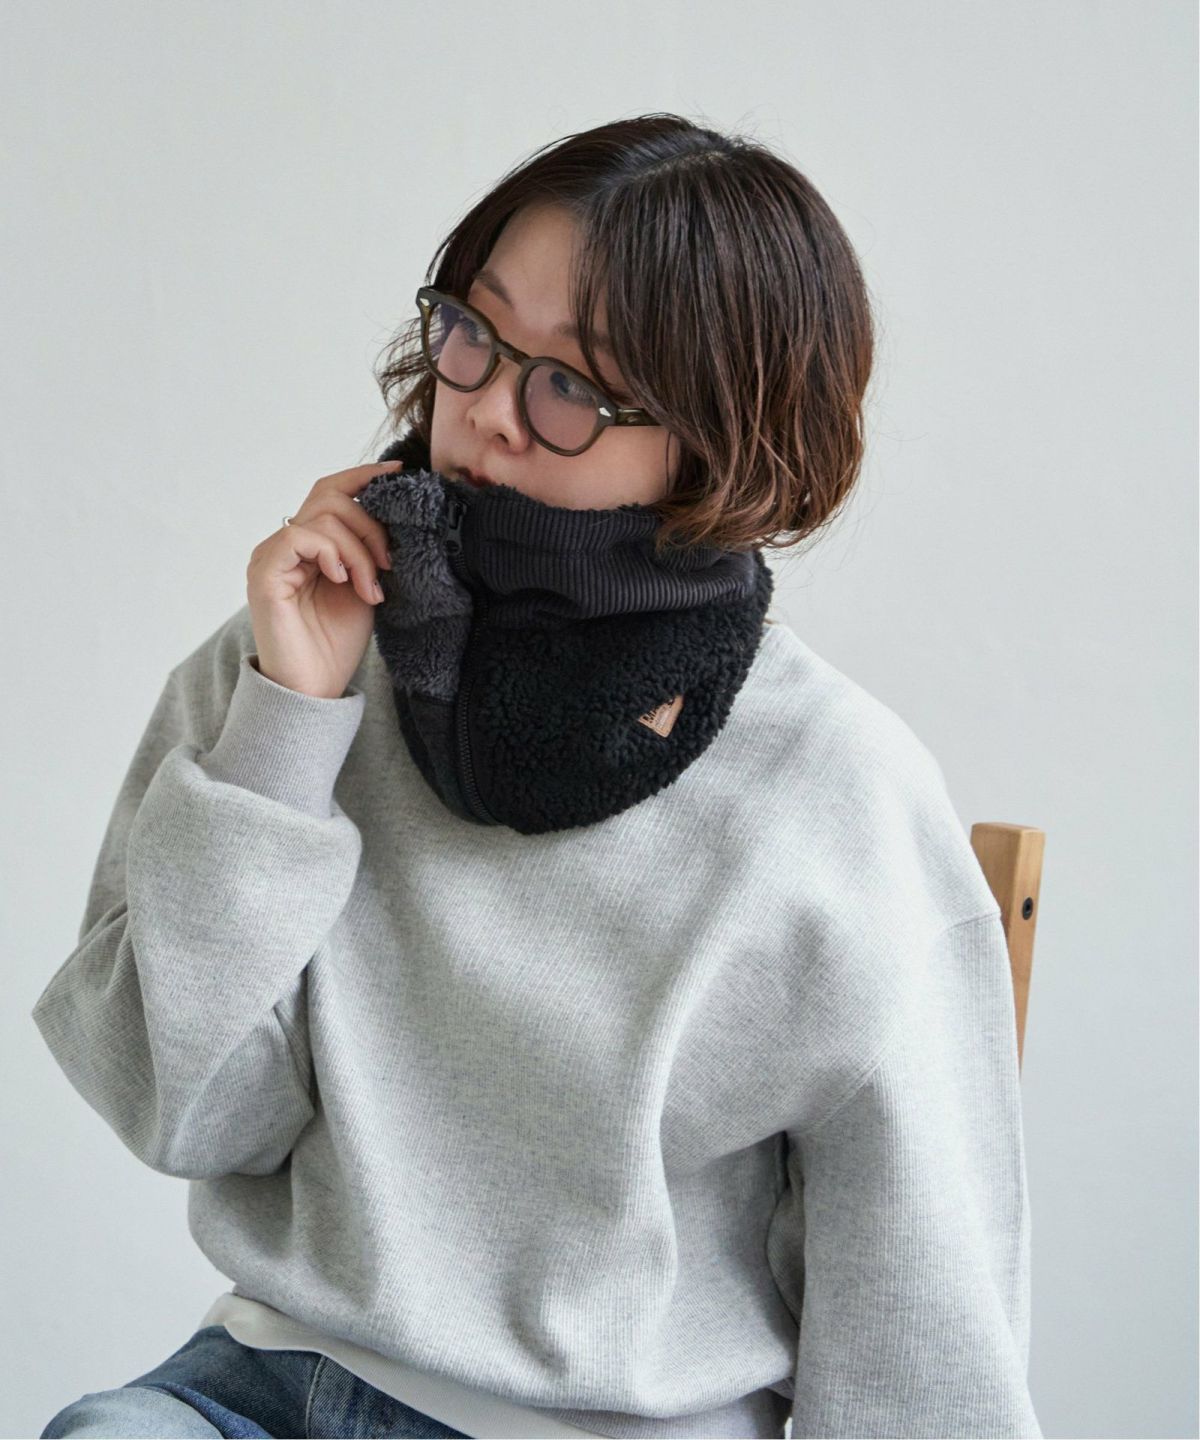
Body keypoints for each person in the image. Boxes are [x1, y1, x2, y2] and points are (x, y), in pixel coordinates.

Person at [32, 113, 1041, 1439]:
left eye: (569, 386)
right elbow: (179, 1109)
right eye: (475, 332)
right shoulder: (309, 649)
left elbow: (924, 1324)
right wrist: (286, 726)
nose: (484, 412)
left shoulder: (829, 794)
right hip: (262, 1386)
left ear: (718, 446)